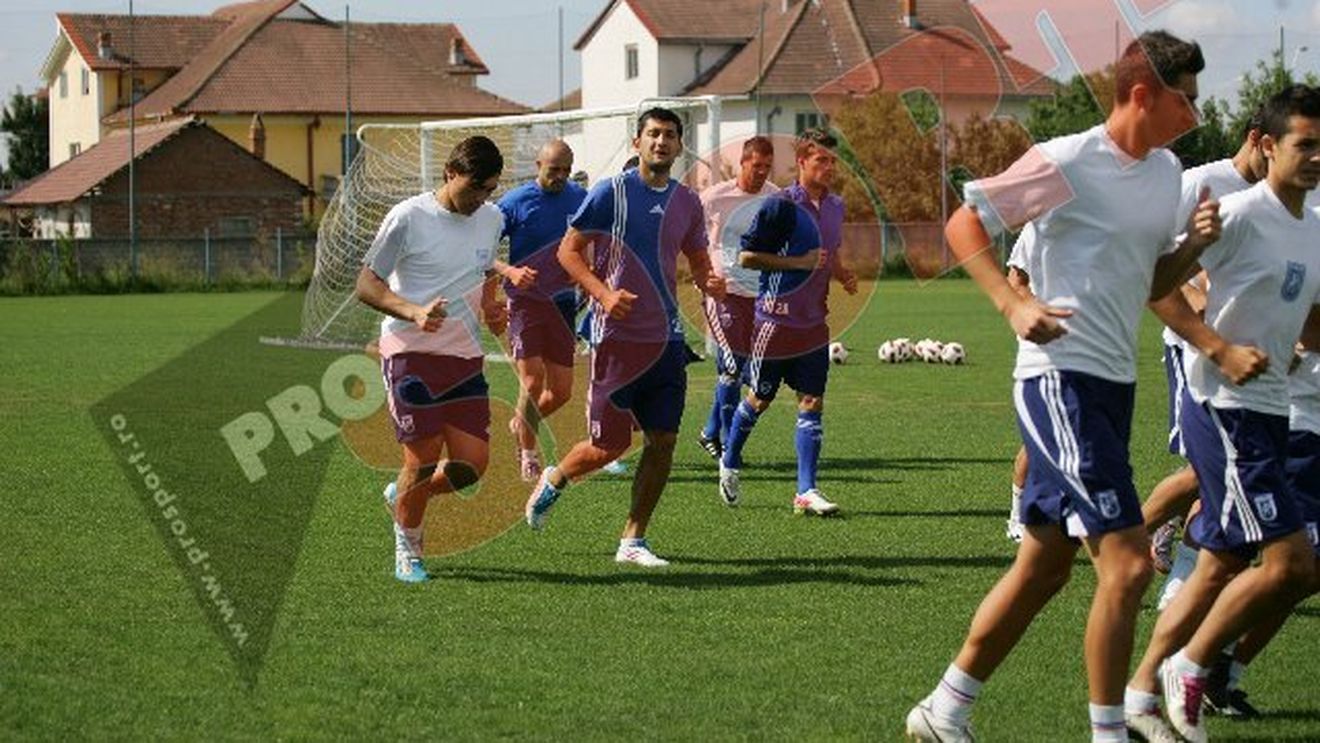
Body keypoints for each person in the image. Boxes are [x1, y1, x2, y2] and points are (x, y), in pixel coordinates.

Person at [903, 31, 1224, 743]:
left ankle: (944, 708)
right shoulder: (1069, 160)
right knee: (1131, 562)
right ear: (1143, 93)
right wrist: (1013, 305)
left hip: (1112, 386)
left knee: (1046, 566)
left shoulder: (1168, 171)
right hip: (1059, 381)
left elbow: (1151, 286)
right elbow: (965, 223)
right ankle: (1110, 731)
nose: (1196, 115)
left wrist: (1192, 249)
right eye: (1187, 100)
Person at [1124, 84, 1320, 743]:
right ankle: (1191, 665)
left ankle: (1142, 690)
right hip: (1225, 406)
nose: (1317, 158)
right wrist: (1218, 346)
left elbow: (1310, 321)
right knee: (1291, 564)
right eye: (1306, 145)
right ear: (1266, 146)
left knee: (1222, 562)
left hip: (1273, 411)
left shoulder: (1311, 228)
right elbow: (1154, 285)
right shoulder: (1235, 214)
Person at [522, 107, 725, 566]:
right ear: (637, 143)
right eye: (653, 134)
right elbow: (568, 252)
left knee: (664, 441)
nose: (661, 142)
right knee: (608, 446)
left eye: (670, 135)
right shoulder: (610, 192)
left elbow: (696, 255)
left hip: (667, 340)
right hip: (615, 338)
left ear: (678, 145)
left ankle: (633, 540)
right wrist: (603, 294)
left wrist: (708, 279)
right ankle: (555, 478)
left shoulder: (688, 202)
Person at [355, 135, 509, 583]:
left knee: (470, 466)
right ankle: (410, 550)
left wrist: (492, 309)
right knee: (421, 459)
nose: (481, 199)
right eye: (475, 188)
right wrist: (413, 311)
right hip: (410, 353)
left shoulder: (491, 218)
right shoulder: (408, 217)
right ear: (450, 174)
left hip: (464, 357)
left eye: (490, 190)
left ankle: (402, 494)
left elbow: (481, 274)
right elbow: (366, 285)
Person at [1143, 109, 1269, 575]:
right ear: (1259, 139)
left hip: (1252, 354)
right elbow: (1159, 264)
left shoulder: (1287, 198)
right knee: (1207, 468)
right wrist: (1202, 316)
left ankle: (1184, 558)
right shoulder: (1199, 184)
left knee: (1222, 467)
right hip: (1193, 346)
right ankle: (1130, 542)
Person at [716, 128, 857, 515]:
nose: (828, 168)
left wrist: (841, 273)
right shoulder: (781, 206)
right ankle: (729, 460)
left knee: (812, 402)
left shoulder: (836, 206)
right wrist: (799, 263)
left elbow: (829, 252)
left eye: (832, 161)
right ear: (802, 162)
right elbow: (748, 258)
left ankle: (805, 491)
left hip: (814, 324)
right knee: (759, 399)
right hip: (773, 321)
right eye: (820, 161)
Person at [497, 140, 588, 481]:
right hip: (524, 303)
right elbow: (481, 248)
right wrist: (510, 272)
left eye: (566, 170)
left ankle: (521, 423)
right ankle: (529, 454)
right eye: (554, 170)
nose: (561, 177)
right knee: (533, 382)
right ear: (538, 165)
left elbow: (592, 237)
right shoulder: (515, 202)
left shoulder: (579, 198)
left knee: (561, 392)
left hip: (563, 303)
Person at [696, 136, 778, 461]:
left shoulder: (775, 198)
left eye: (767, 167)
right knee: (732, 367)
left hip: (759, 296)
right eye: (756, 165)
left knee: (751, 371)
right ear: (743, 163)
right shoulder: (714, 198)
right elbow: (691, 238)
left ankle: (709, 431)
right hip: (724, 293)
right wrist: (703, 274)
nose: (761, 172)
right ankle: (730, 445)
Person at [1004, 225, 1034, 543]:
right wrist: (1033, 311)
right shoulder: (1037, 228)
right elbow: (1015, 280)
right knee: (1037, 439)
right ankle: (1017, 517)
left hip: (1090, 349)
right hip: (1040, 348)